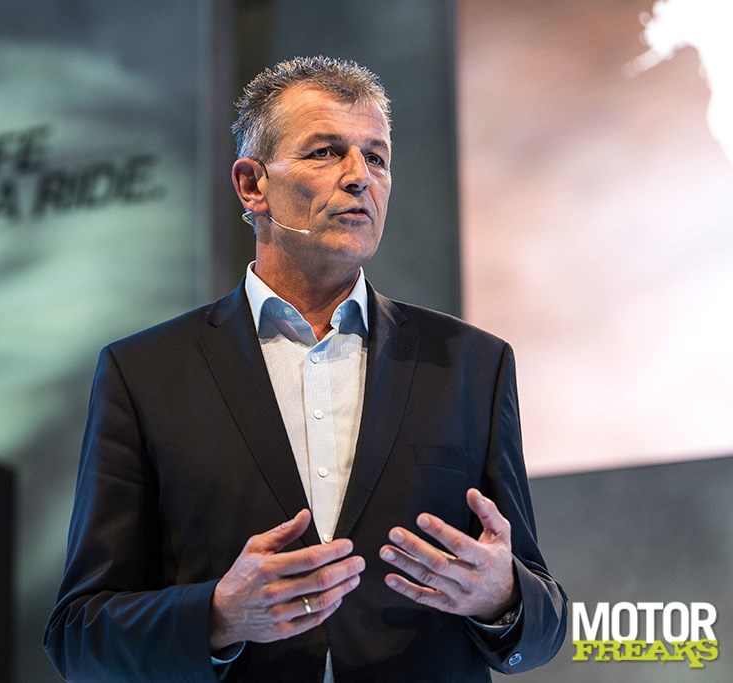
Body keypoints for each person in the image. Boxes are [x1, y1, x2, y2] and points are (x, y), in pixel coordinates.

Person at [45, 56, 566, 682]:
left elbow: (545, 625)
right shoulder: (145, 374)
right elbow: (80, 637)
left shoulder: (471, 364)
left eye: (376, 157)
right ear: (252, 185)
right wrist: (217, 616)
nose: (359, 177)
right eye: (325, 152)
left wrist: (501, 597)